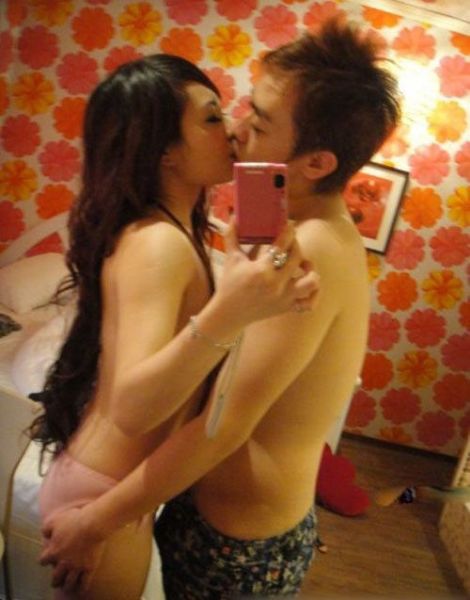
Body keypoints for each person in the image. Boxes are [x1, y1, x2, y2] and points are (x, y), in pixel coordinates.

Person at [39, 18, 401, 598]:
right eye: (223, 116)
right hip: (197, 508)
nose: (237, 130)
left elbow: (223, 425)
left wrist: (96, 521)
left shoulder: (311, 249)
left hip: (238, 538)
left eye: (258, 120)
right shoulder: (276, 228)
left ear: (316, 163)